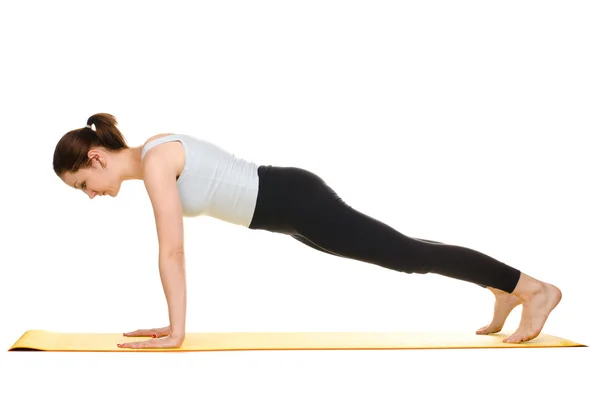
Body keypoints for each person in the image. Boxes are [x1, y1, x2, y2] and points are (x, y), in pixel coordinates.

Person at [53, 113, 562, 349]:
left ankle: (532, 288)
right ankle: (501, 286)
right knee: (404, 252)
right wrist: (174, 324)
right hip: (288, 214)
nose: (91, 195)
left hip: (294, 201)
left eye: (83, 184)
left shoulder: (159, 159)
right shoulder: (155, 155)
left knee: (404, 255)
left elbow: (172, 253)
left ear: (95, 157)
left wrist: (177, 330)